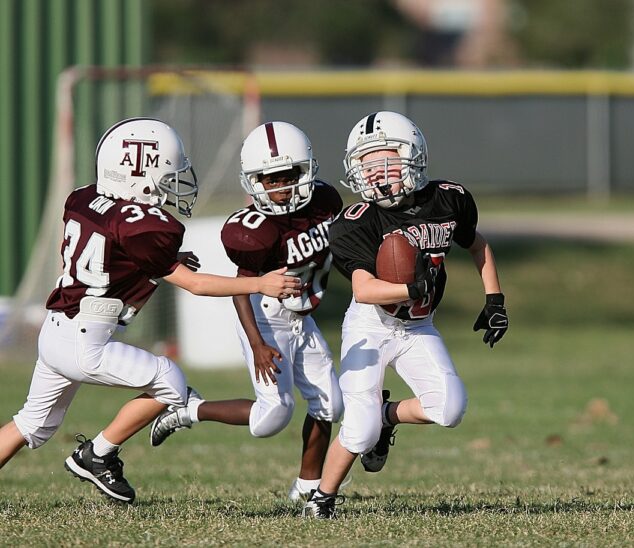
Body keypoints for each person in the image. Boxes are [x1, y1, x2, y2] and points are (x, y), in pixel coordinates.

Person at [0, 118, 300, 504]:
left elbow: (111, 250)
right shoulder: (140, 224)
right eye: (166, 176)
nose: (172, 184)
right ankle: (97, 453)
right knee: (171, 382)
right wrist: (258, 284)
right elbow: (196, 285)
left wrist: (165, 259)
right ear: (138, 174)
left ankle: (97, 454)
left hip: (57, 329)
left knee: (31, 425)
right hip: (85, 339)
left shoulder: (84, 197)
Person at [302, 111, 508, 518]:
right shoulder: (355, 221)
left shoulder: (450, 198)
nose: (378, 173)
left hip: (417, 326)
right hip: (371, 326)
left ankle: (386, 414)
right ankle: (322, 498)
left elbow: (475, 242)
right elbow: (363, 289)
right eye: (367, 164)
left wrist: (495, 299)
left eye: (387, 161)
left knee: (449, 408)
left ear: (414, 157)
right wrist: (410, 287)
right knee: (358, 432)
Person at [148, 121, 344, 501]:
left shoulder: (325, 203)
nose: (281, 188)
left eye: (287, 176)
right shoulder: (254, 230)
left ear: (305, 170)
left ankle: (306, 488)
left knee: (330, 405)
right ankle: (191, 410)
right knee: (271, 418)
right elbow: (243, 290)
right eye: (270, 180)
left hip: (303, 317)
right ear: (254, 182)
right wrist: (256, 343)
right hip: (265, 317)